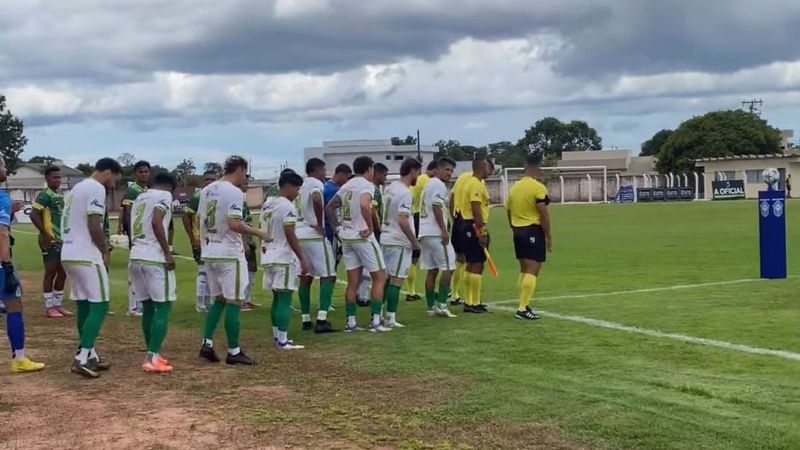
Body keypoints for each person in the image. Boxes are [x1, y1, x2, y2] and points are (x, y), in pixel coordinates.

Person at [198, 156, 267, 366]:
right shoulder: (234, 192)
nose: (245, 178)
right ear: (239, 170)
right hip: (229, 253)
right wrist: (259, 232)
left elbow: (200, 219)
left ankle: (207, 343)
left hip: (210, 250)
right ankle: (234, 350)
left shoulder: (206, 190)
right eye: (245, 173)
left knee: (218, 300)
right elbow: (234, 224)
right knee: (234, 301)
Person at [62, 157, 123, 378]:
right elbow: (94, 223)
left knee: (84, 304)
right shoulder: (96, 188)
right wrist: (104, 249)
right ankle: (81, 357)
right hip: (86, 253)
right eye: (115, 179)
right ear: (108, 173)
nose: (113, 185)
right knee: (100, 303)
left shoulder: (76, 189)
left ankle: (90, 354)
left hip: (68, 251)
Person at [325, 156, 390, 332]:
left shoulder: (347, 186)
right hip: (362, 237)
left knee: (353, 281)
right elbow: (364, 204)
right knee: (380, 276)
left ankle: (351, 322)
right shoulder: (367, 185)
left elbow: (330, 207)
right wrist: (370, 227)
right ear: (370, 169)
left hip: (347, 237)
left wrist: (337, 229)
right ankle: (375, 321)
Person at [0, 157, 46, 374]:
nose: (5, 168)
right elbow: (1, 233)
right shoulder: (2, 198)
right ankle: (19, 358)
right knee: (14, 306)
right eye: (1, 164)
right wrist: (7, 265)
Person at [129, 173, 178, 372]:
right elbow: (157, 221)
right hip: (154, 258)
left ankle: (152, 352)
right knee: (163, 306)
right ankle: (152, 357)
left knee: (148, 307)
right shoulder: (164, 196)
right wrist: (167, 252)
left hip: (136, 255)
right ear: (171, 187)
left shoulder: (140, 197)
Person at [261, 171, 307, 349]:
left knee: (276, 298)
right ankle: (282, 340)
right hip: (283, 257)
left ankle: (277, 337)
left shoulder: (267, 204)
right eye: (297, 188)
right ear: (287, 186)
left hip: (268, 254)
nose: (297, 193)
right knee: (285, 299)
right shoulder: (287, 206)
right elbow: (290, 233)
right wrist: (302, 257)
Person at [507, 152, 552, 320]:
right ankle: (522, 308)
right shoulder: (538, 188)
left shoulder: (515, 187)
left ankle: (522, 303)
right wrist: (548, 235)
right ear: (539, 167)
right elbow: (543, 213)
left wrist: (514, 227)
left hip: (518, 230)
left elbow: (508, 210)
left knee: (524, 269)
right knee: (532, 270)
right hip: (532, 230)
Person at [296, 158, 338, 333]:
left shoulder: (300, 185)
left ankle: (306, 318)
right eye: (323, 170)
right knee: (329, 275)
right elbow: (316, 197)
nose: (325, 173)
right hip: (313, 234)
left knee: (305, 276)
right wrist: (319, 223)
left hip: (299, 232)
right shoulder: (315, 183)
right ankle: (322, 319)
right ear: (316, 170)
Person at [379, 158, 422, 328]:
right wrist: (414, 242)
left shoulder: (391, 187)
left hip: (386, 237)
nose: (418, 176)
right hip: (398, 240)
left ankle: (378, 315)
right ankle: (390, 318)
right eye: (418, 172)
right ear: (412, 171)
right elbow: (403, 220)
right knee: (396, 280)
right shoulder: (405, 193)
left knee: (385, 279)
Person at [419, 157, 459, 318]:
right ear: (438, 169)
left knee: (432, 269)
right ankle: (442, 304)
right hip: (435, 232)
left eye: (451, 171)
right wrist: (443, 230)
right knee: (449, 266)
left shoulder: (428, 184)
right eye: (447, 169)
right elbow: (436, 206)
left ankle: (430, 307)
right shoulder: (438, 185)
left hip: (424, 232)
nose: (449, 173)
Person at [30, 166, 70, 318]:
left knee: (63, 272)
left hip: (61, 239)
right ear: (47, 178)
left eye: (59, 177)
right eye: (54, 177)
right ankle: (49, 306)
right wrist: (46, 234)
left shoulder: (59, 195)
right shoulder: (44, 195)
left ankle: (58, 304)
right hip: (50, 239)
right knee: (51, 271)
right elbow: (34, 215)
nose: (58, 180)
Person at [455, 158, 492, 313]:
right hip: (472, 225)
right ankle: (474, 302)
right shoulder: (476, 183)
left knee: (471, 264)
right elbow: (475, 206)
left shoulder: (469, 182)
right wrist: (481, 231)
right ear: (483, 167)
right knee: (477, 263)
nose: (490, 172)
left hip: (464, 224)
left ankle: (469, 301)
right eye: (489, 168)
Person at [183, 170, 219, 312]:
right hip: (200, 239)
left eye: (212, 179)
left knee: (212, 272)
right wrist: (192, 238)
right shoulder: (198, 196)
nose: (209, 182)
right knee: (203, 271)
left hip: (214, 240)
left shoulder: (218, 196)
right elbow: (186, 216)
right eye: (207, 179)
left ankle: (208, 301)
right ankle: (200, 303)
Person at [120, 160, 150, 316]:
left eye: (146, 171)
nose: (144, 174)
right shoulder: (133, 191)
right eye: (141, 172)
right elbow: (127, 214)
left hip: (145, 236)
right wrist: (131, 237)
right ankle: (133, 307)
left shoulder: (147, 191)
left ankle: (141, 304)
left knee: (144, 271)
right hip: (137, 237)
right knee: (135, 271)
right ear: (135, 174)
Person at [357, 162, 388, 306]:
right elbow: (373, 210)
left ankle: (361, 294)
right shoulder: (372, 189)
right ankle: (363, 295)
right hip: (372, 230)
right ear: (377, 173)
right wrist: (377, 227)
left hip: (360, 229)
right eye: (384, 175)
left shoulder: (367, 188)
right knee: (373, 265)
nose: (385, 178)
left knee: (363, 264)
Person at [406, 160, 436, 302]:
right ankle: (412, 291)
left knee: (414, 256)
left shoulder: (419, 180)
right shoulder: (426, 180)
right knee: (419, 255)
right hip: (420, 217)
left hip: (414, 216)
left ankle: (410, 291)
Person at [323, 163, 352, 271]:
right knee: (331, 265)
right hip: (331, 231)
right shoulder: (334, 190)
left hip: (325, 229)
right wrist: (338, 229)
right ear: (341, 174)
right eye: (346, 177)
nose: (346, 181)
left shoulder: (325, 186)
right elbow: (336, 212)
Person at [241, 180, 259, 312]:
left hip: (249, 239)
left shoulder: (243, 200)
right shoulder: (235, 198)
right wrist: (244, 242)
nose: (247, 186)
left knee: (252, 268)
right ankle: (240, 300)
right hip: (242, 241)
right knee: (242, 270)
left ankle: (247, 299)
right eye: (244, 183)